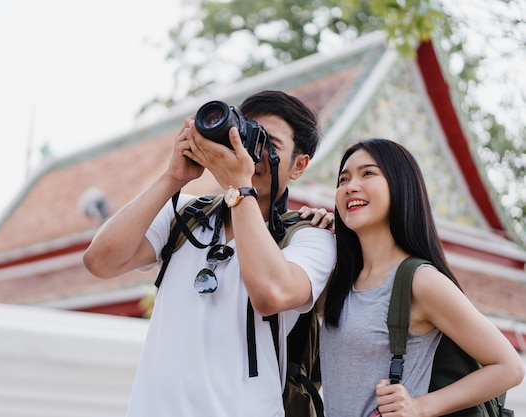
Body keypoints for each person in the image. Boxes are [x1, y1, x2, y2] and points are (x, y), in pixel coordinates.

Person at [83, 90, 337, 417]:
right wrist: (173, 177)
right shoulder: (184, 214)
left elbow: (271, 293)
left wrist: (238, 187)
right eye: (248, 137)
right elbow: (99, 261)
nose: (252, 154)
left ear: (299, 165)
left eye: (269, 144)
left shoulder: (310, 235)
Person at [319, 138, 525, 416]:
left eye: (367, 173)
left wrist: (419, 407)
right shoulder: (340, 282)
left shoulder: (420, 282)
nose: (350, 186)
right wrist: (309, 233)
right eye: (343, 179)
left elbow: (509, 367)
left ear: (400, 185)